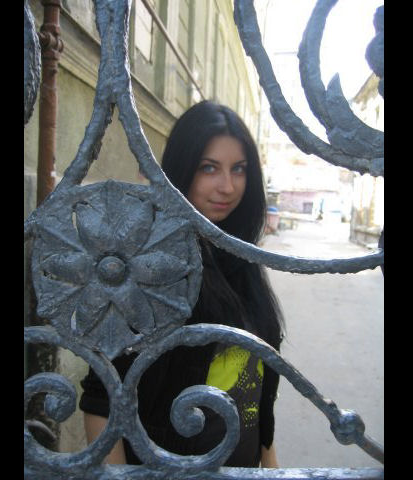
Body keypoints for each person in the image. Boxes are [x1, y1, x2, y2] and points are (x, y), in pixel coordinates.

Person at [79, 100, 285, 468]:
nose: (227, 186)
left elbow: (258, 394)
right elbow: (102, 396)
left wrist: (270, 470)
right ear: (181, 170)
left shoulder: (241, 258)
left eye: (238, 169)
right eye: (209, 168)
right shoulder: (148, 265)